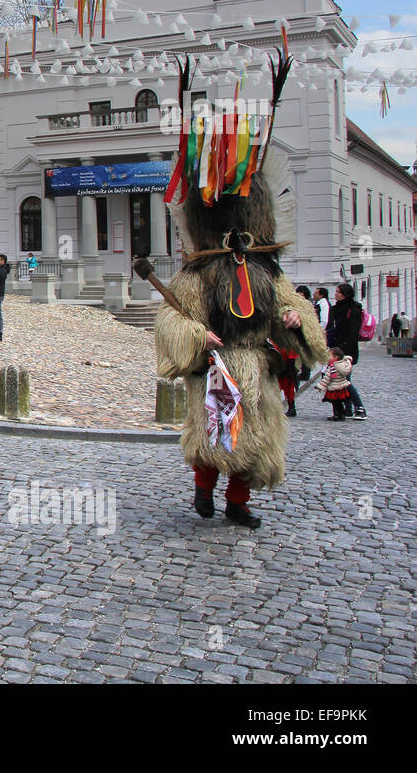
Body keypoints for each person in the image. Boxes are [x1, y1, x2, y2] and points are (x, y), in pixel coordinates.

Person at [154, 135, 328, 531]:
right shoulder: (199, 271)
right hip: (218, 365)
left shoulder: (268, 271)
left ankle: (238, 502)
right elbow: (172, 318)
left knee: (256, 440)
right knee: (215, 434)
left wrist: (293, 318)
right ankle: (203, 488)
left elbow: (291, 303)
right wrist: (198, 335)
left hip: (255, 364)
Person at [325, 282, 368, 420]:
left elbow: (352, 333)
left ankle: (359, 408)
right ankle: (347, 408)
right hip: (336, 348)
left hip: (346, 351)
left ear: (345, 294)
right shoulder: (337, 309)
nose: (335, 294)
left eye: (338, 292)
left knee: (343, 381)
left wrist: (343, 352)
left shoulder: (353, 310)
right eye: (336, 291)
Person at [318, 347, 354, 421]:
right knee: (339, 402)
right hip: (340, 387)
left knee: (335, 402)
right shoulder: (342, 364)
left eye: (329, 356)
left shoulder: (333, 366)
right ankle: (341, 414)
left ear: (335, 357)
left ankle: (338, 415)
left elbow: (327, 377)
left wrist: (321, 386)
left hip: (334, 387)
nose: (327, 358)